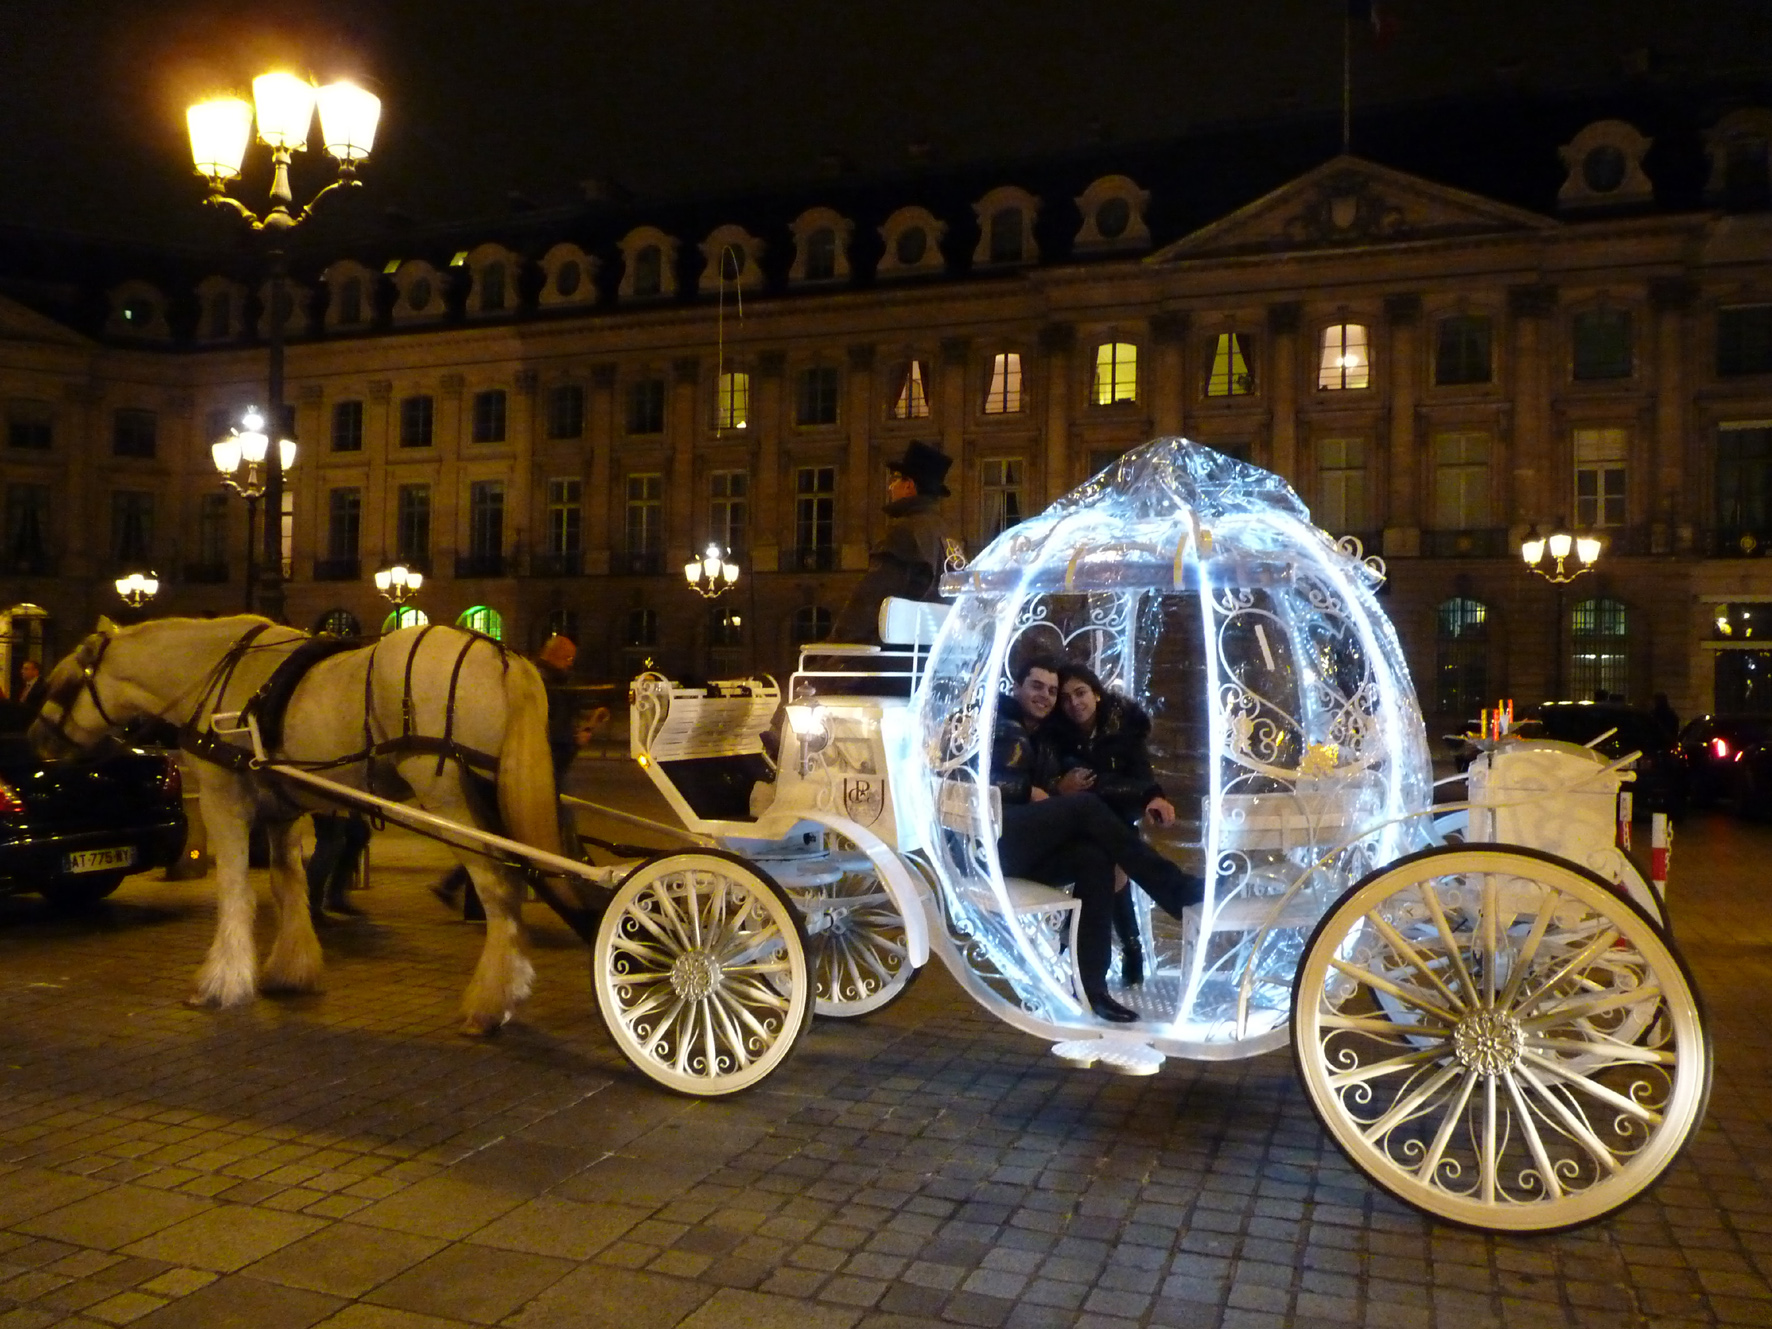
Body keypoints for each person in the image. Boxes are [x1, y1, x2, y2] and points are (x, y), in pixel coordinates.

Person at [992, 653, 1205, 1023]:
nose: (1046, 695)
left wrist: (1147, 795)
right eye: (1036, 686)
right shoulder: (1001, 721)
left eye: (1052, 690)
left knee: (1096, 858)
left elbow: (1118, 774)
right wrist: (1031, 790)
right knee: (1085, 808)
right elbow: (984, 777)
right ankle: (1174, 888)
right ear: (1017, 687)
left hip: (1027, 842)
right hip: (997, 839)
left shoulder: (1045, 733)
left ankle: (1092, 987)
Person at [435, 633, 589, 917]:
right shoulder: (543, 682)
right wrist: (573, 740)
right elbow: (543, 728)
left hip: (540, 765)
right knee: (522, 835)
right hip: (540, 769)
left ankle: (463, 894)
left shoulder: (543, 678)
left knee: (501, 837)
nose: (570, 664)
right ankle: (568, 889)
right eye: (567, 658)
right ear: (553, 655)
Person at [1052, 662, 1176, 987]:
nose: (1074, 703)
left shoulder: (1124, 728)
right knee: (1110, 863)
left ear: (1095, 692)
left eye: (1080, 693)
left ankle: (1096, 950)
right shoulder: (1059, 736)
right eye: (1065, 698)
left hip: (1116, 817)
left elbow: (1139, 773)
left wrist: (1152, 796)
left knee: (1111, 862)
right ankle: (1128, 948)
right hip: (1073, 822)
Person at [827, 439, 953, 644]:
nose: (889, 487)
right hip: (927, 651)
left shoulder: (905, 532)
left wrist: (834, 644)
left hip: (893, 655)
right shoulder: (945, 533)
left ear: (909, 486)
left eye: (895, 480)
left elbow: (870, 598)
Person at [307, 812, 371, 921]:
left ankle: (336, 897)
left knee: (358, 832)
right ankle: (311, 907)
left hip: (342, 805)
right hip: (328, 804)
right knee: (330, 843)